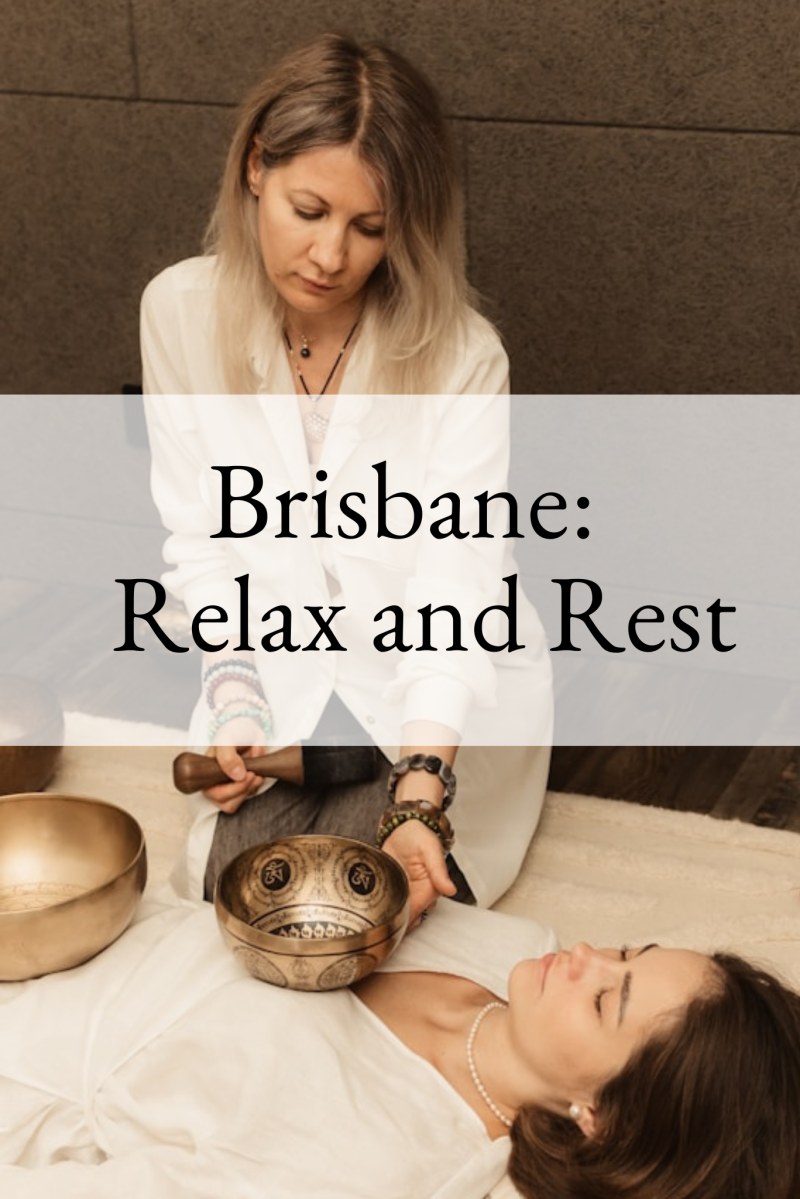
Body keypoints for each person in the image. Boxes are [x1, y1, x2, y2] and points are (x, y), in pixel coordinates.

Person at [140, 32, 552, 915]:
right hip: (278, 672)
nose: (331, 255)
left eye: (370, 228)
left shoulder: (463, 358)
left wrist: (422, 792)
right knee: (233, 902)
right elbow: (201, 540)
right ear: (256, 167)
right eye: (309, 209)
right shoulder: (176, 310)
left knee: (380, 909)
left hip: (433, 687)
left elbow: (458, 585)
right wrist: (235, 698)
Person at [2, 896, 799, 1198]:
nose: (588, 953)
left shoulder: (374, 1164)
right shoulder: (514, 945)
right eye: (628, 950)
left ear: (603, 1119)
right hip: (91, 909)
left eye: (604, 996)